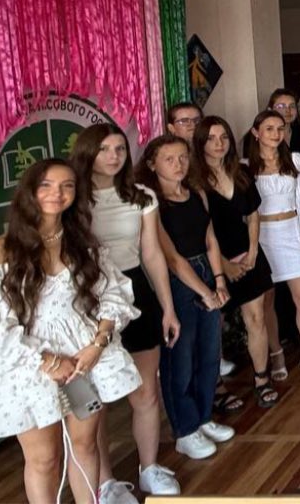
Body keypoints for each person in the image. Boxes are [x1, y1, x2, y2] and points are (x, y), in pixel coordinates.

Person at [0, 159, 142, 504]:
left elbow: (112, 294)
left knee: (85, 446)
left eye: (67, 185)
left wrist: (97, 345)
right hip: (31, 367)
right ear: (30, 191)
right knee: (44, 459)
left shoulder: (82, 244)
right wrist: (48, 361)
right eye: (47, 185)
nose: (58, 193)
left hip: (82, 364)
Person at [68, 126, 181, 500]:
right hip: (88, 297)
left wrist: (167, 307)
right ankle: (105, 482)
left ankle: (149, 467)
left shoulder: (142, 195)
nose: (114, 156)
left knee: (145, 391)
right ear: (88, 153)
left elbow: (152, 254)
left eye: (119, 148)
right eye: (104, 149)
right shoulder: (72, 198)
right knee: (94, 401)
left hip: (135, 292)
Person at [136, 136, 237, 459]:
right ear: (152, 164)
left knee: (209, 352)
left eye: (182, 157)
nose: (178, 164)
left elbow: (210, 239)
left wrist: (218, 280)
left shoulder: (195, 193)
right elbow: (171, 258)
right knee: (180, 357)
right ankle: (185, 428)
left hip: (206, 270)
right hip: (178, 281)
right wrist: (205, 292)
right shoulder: (152, 203)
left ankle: (204, 416)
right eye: (169, 159)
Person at [191, 117, 279, 414]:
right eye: (211, 138)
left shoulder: (240, 171)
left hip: (247, 251)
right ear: (201, 142)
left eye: (224, 137)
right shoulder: (194, 180)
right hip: (213, 259)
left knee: (256, 318)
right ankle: (217, 388)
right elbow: (202, 231)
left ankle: (262, 379)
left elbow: (253, 214)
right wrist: (224, 266)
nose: (219, 143)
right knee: (214, 326)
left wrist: (253, 251)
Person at [248, 110, 300, 381]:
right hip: (263, 235)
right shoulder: (247, 166)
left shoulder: (295, 159)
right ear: (256, 132)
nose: (276, 133)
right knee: (267, 300)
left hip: (291, 231)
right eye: (269, 128)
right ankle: (276, 352)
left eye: (280, 128)